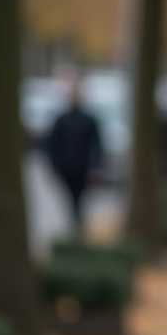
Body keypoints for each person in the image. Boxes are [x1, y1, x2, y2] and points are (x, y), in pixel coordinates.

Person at [46, 80, 103, 233]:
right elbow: (53, 145)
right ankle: (75, 226)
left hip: (83, 168)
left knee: (79, 199)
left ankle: (77, 226)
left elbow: (96, 146)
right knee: (70, 199)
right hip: (66, 167)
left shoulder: (89, 120)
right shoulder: (61, 120)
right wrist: (54, 167)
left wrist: (95, 167)